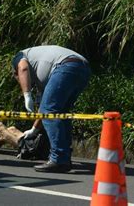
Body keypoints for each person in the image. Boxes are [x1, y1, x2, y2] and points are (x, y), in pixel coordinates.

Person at [12, 45, 91, 173]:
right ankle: (64, 157)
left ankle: (59, 159)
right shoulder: (43, 76)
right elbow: (44, 110)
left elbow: (23, 68)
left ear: (15, 73)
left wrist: (26, 95)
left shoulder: (20, 56)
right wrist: (34, 130)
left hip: (66, 66)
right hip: (82, 68)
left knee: (52, 112)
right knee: (61, 113)